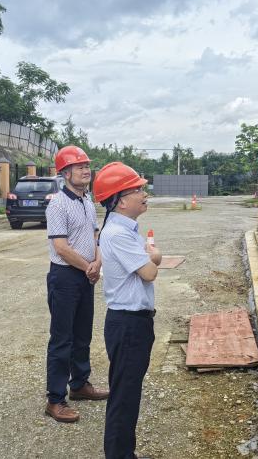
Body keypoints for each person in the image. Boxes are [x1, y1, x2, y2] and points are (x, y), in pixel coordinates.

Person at [94, 162, 161, 459]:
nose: (144, 194)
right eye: (138, 190)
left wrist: (151, 257)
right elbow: (149, 272)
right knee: (124, 397)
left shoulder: (125, 228)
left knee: (128, 393)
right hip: (128, 324)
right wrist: (154, 256)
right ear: (121, 201)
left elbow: (148, 264)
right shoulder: (118, 234)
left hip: (133, 323)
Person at [44, 145, 108, 423]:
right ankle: (55, 399)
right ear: (65, 173)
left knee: (82, 334)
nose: (85, 170)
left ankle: (80, 384)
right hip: (65, 277)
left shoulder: (87, 201)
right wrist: (88, 266)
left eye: (87, 165)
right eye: (79, 166)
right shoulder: (58, 204)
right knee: (62, 339)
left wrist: (98, 261)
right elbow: (61, 247)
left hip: (86, 275)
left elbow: (95, 236)